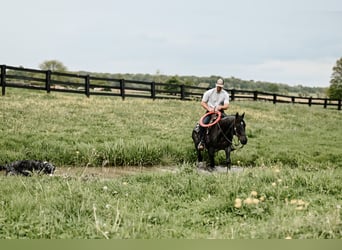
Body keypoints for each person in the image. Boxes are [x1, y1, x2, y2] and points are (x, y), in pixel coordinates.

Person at [197, 78, 230, 150]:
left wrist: (221, 107)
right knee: (203, 124)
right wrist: (209, 108)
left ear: (223, 86)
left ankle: (229, 143)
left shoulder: (225, 94)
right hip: (210, 112)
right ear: (216, 85)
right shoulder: (209, 92)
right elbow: (203, 102)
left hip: (220, 112)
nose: (219, 88)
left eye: (220, 87)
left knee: (229, 124)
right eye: (218, 86)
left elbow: (227, 106)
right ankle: (202, 142)